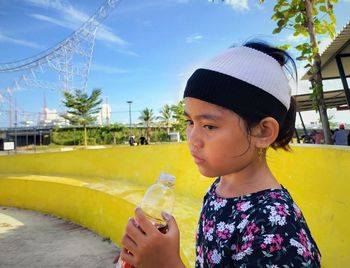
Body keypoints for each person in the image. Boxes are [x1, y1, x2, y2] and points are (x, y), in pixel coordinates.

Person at [119, 41, 321, 267]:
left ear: (263, 131)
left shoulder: (276, 229)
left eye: (209, 126)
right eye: (190, 122)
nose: (192, 139)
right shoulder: (219, 188)